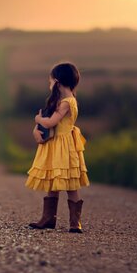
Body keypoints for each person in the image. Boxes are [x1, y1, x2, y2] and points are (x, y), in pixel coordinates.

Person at [25, 62, 90, 233]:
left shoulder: (67, 102)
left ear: (57, 82)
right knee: (53, 181)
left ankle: (75, 222)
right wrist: (37, 130)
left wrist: (37, 120)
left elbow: (51, 122)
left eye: (50, 81)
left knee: (70, 184)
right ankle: (48, 219)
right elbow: (50, 124)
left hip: (63, 146)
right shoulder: (62, 101)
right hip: (56, 145)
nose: (49, 84)